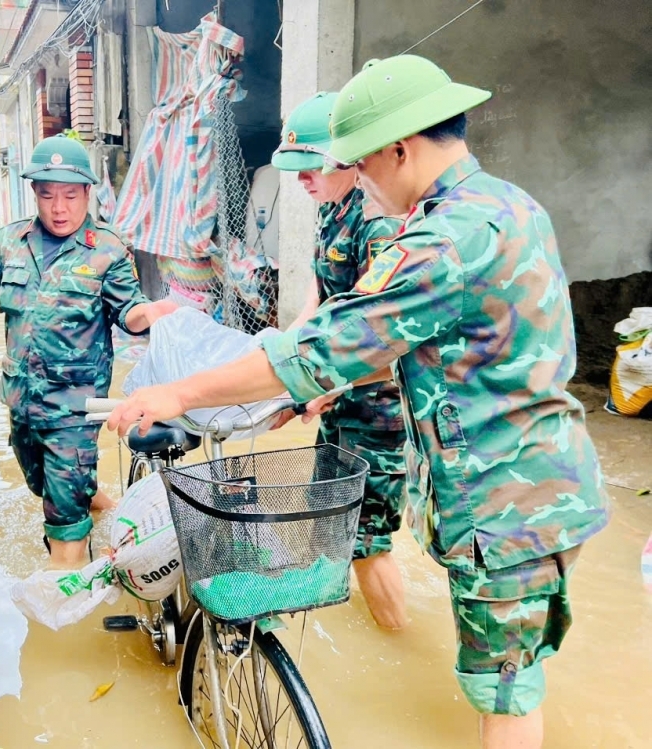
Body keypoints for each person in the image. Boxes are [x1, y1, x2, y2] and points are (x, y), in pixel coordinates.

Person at [105, 55, 610, 749]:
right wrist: (304, 394)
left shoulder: (439, 243)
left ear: (400, 149)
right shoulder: (508, 205)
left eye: (364, 163)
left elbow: (318, 351)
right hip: (555, 488)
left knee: (506, 699)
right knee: (512, 676)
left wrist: (176, 391)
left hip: (505, 511)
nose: (360, 181)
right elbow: (388, 341)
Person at [0, 134, 177, 568]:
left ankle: (63, 607)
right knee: (45, 487)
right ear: (35, 193)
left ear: (88, 192)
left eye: (70, 195)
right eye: (48, 195)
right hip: (21, 401)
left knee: (62, 520)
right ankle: (109, 509)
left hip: (75, 408)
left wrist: (151, 313)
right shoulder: (10, 242)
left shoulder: (106, 249)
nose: (59, 207)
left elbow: (129, 311)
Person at [272, 91, 408, 630]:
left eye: (310, 170)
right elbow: (320, 299)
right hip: (341, 396)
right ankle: (335, 622)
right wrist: (285, 355)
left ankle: (398, 644)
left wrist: (315, 386)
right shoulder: (333, 211)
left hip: (378, 407)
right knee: (331, 515)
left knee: (366, 538)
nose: (302, 182)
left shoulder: (378, 225)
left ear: (345, 158)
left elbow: (384, 341)